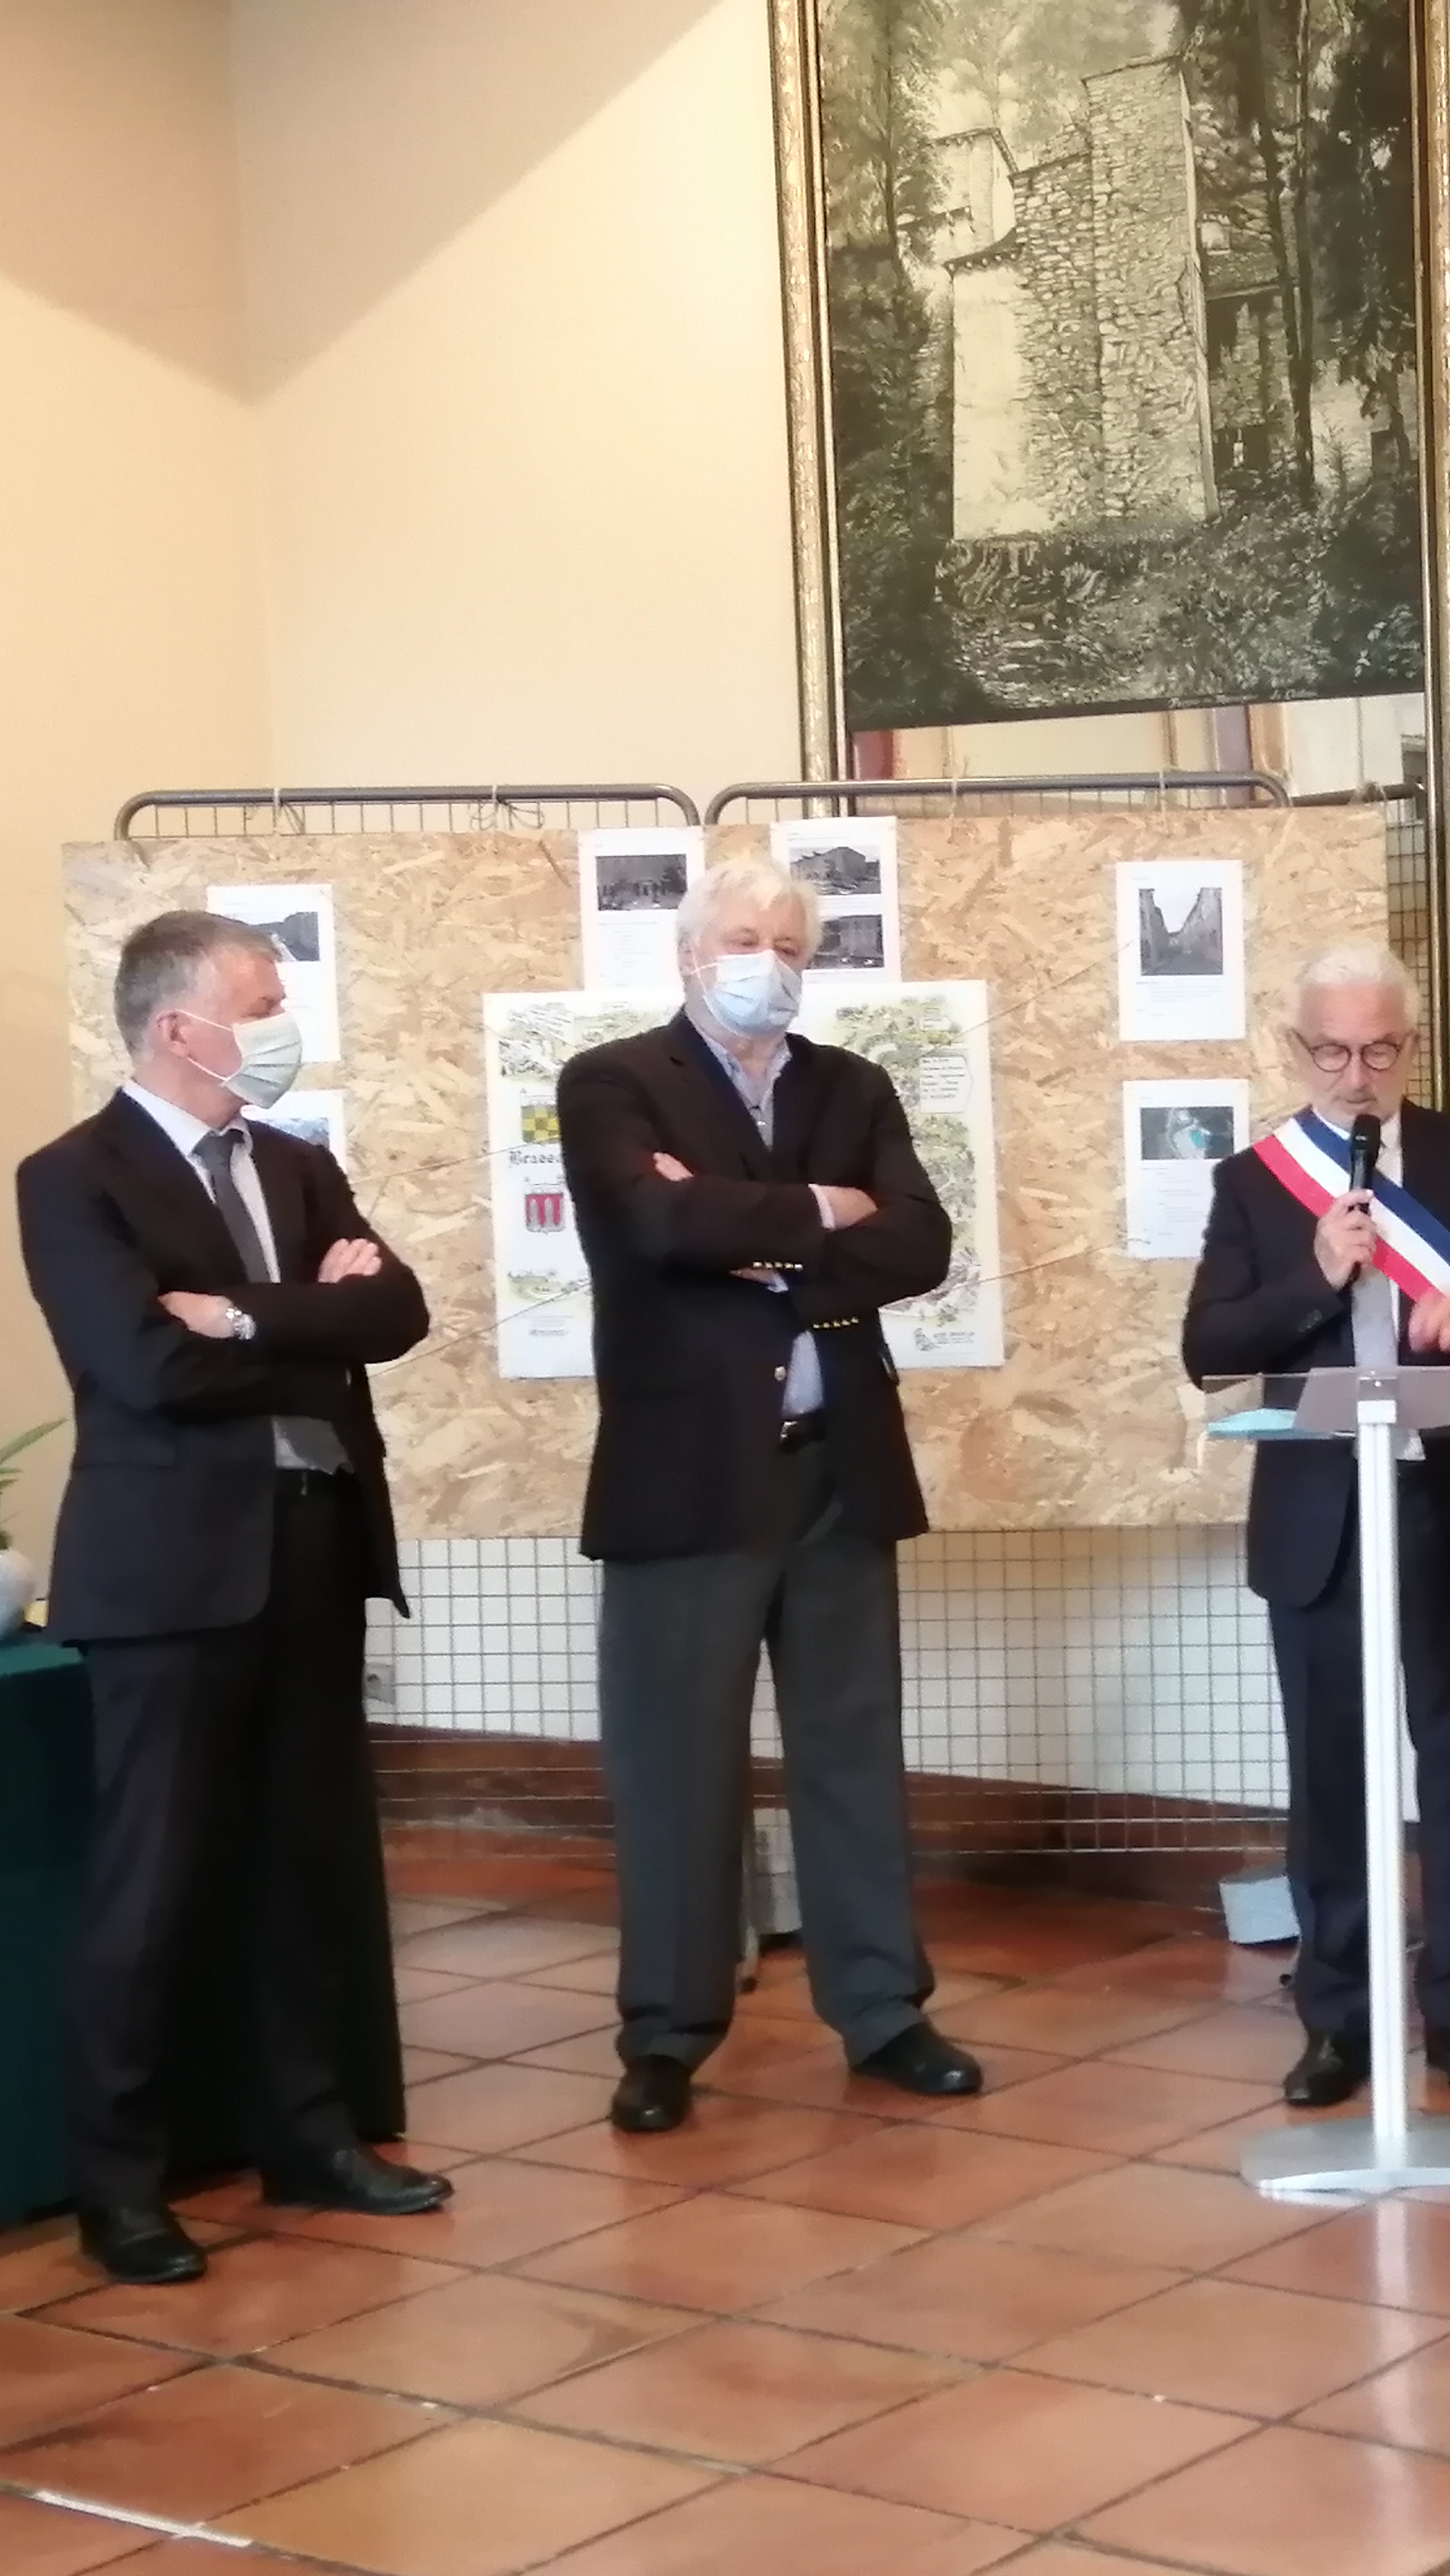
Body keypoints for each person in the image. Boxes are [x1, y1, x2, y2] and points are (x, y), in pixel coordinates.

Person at [19, 910, 447, 2286]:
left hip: (315, 1542)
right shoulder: (72, 1179)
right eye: (259, 1004)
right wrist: (306, 1320)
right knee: (152, 1886)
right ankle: (121, 2188)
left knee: (303, 1866)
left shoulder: (299, 1163)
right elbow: (145, 1370)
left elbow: (397, 1316)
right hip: (168, 1572)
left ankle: (310, 2139)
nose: (280, 1025)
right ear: (176, 1027)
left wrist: (240, 1313)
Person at [556, 854, 979, 2135]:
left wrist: (752, 1235)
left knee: (853, 1752)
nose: (769, 964)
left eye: (791, 945)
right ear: (689, 955)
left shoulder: (853, 1085)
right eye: (744, 939)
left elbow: (920, 1240)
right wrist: (823, 1216)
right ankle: (667, 2032)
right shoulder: (612, 1081)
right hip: (686, 1476)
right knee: (676, 1766)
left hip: (837, 1461)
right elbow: (654, 1231)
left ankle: (883, 2011)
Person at [1182, 947, 1450, 2105]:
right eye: (1332, 1051)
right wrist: (1314, 1277)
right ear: (1295, 1048)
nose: (1357, 1075)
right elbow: (1209, 1348)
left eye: (1380, 1050)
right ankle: (1340, 2020)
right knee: (1331, 1775)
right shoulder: (1256, 1181)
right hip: (1323, 1516)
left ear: (1411, 1044)